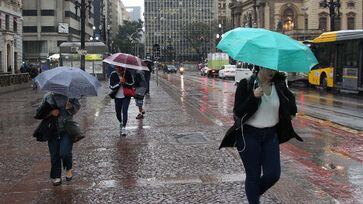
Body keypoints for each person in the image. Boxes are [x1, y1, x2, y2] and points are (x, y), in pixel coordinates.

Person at [219, 67, 303, 204]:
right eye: (268, 68)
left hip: (271, 135)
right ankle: (253, 198)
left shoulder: (279, 84)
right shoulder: (246, 84)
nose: (272, 72)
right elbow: (238, 112)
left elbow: (291, 104)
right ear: (259, 66)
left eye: (274, 69)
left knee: (273, 174)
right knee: (253, 176)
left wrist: (290, 111)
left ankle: (252, 193)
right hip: (249, 135)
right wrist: (253, 97)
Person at [38, 92, 80, 186]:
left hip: (67, 129)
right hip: (52, 130)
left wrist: (71, 108)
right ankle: (56, 176)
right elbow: (39, 112)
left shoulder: (70, 95)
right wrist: (50, 113)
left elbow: (76, 108)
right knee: (54, 155)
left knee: (65, 153)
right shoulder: (48, 96)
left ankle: (68, 168)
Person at [109, 66, 134, 136]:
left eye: (119, 67)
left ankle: (124, 127)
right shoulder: (113, 74)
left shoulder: (127, 73)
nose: (118, 69)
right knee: (118, 113)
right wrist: (119, 83)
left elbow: (132, 84)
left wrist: (125, 83)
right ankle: (121, 122)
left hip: (126, 96)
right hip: (117, 97)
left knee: (125, 111)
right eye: (117, 67)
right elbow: (111, 86)